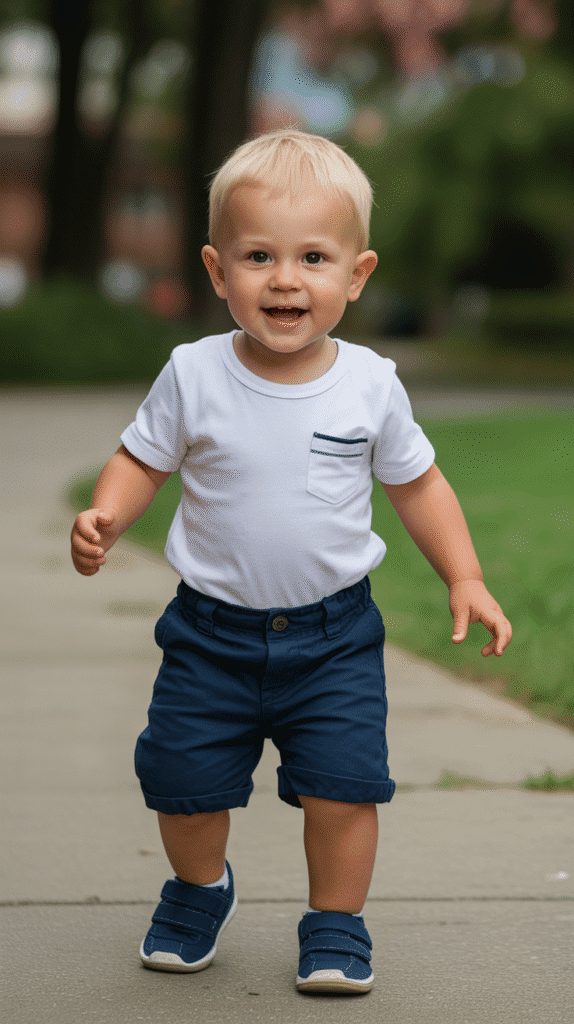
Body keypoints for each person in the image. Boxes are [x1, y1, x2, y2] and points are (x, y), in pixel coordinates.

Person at [71, 129, 512, 995]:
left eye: (313, 257)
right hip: (209, 637)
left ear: (357, 274)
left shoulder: (370, 383)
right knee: (182, 783)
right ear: (216, 270)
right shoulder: (193, 373)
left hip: (334, 638)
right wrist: (106, 514)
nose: (285, 279)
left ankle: (336, 922)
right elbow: (141, 459)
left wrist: (464, 576)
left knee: (344, 789)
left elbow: (420, 485)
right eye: (258, 256)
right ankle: (200, 888)